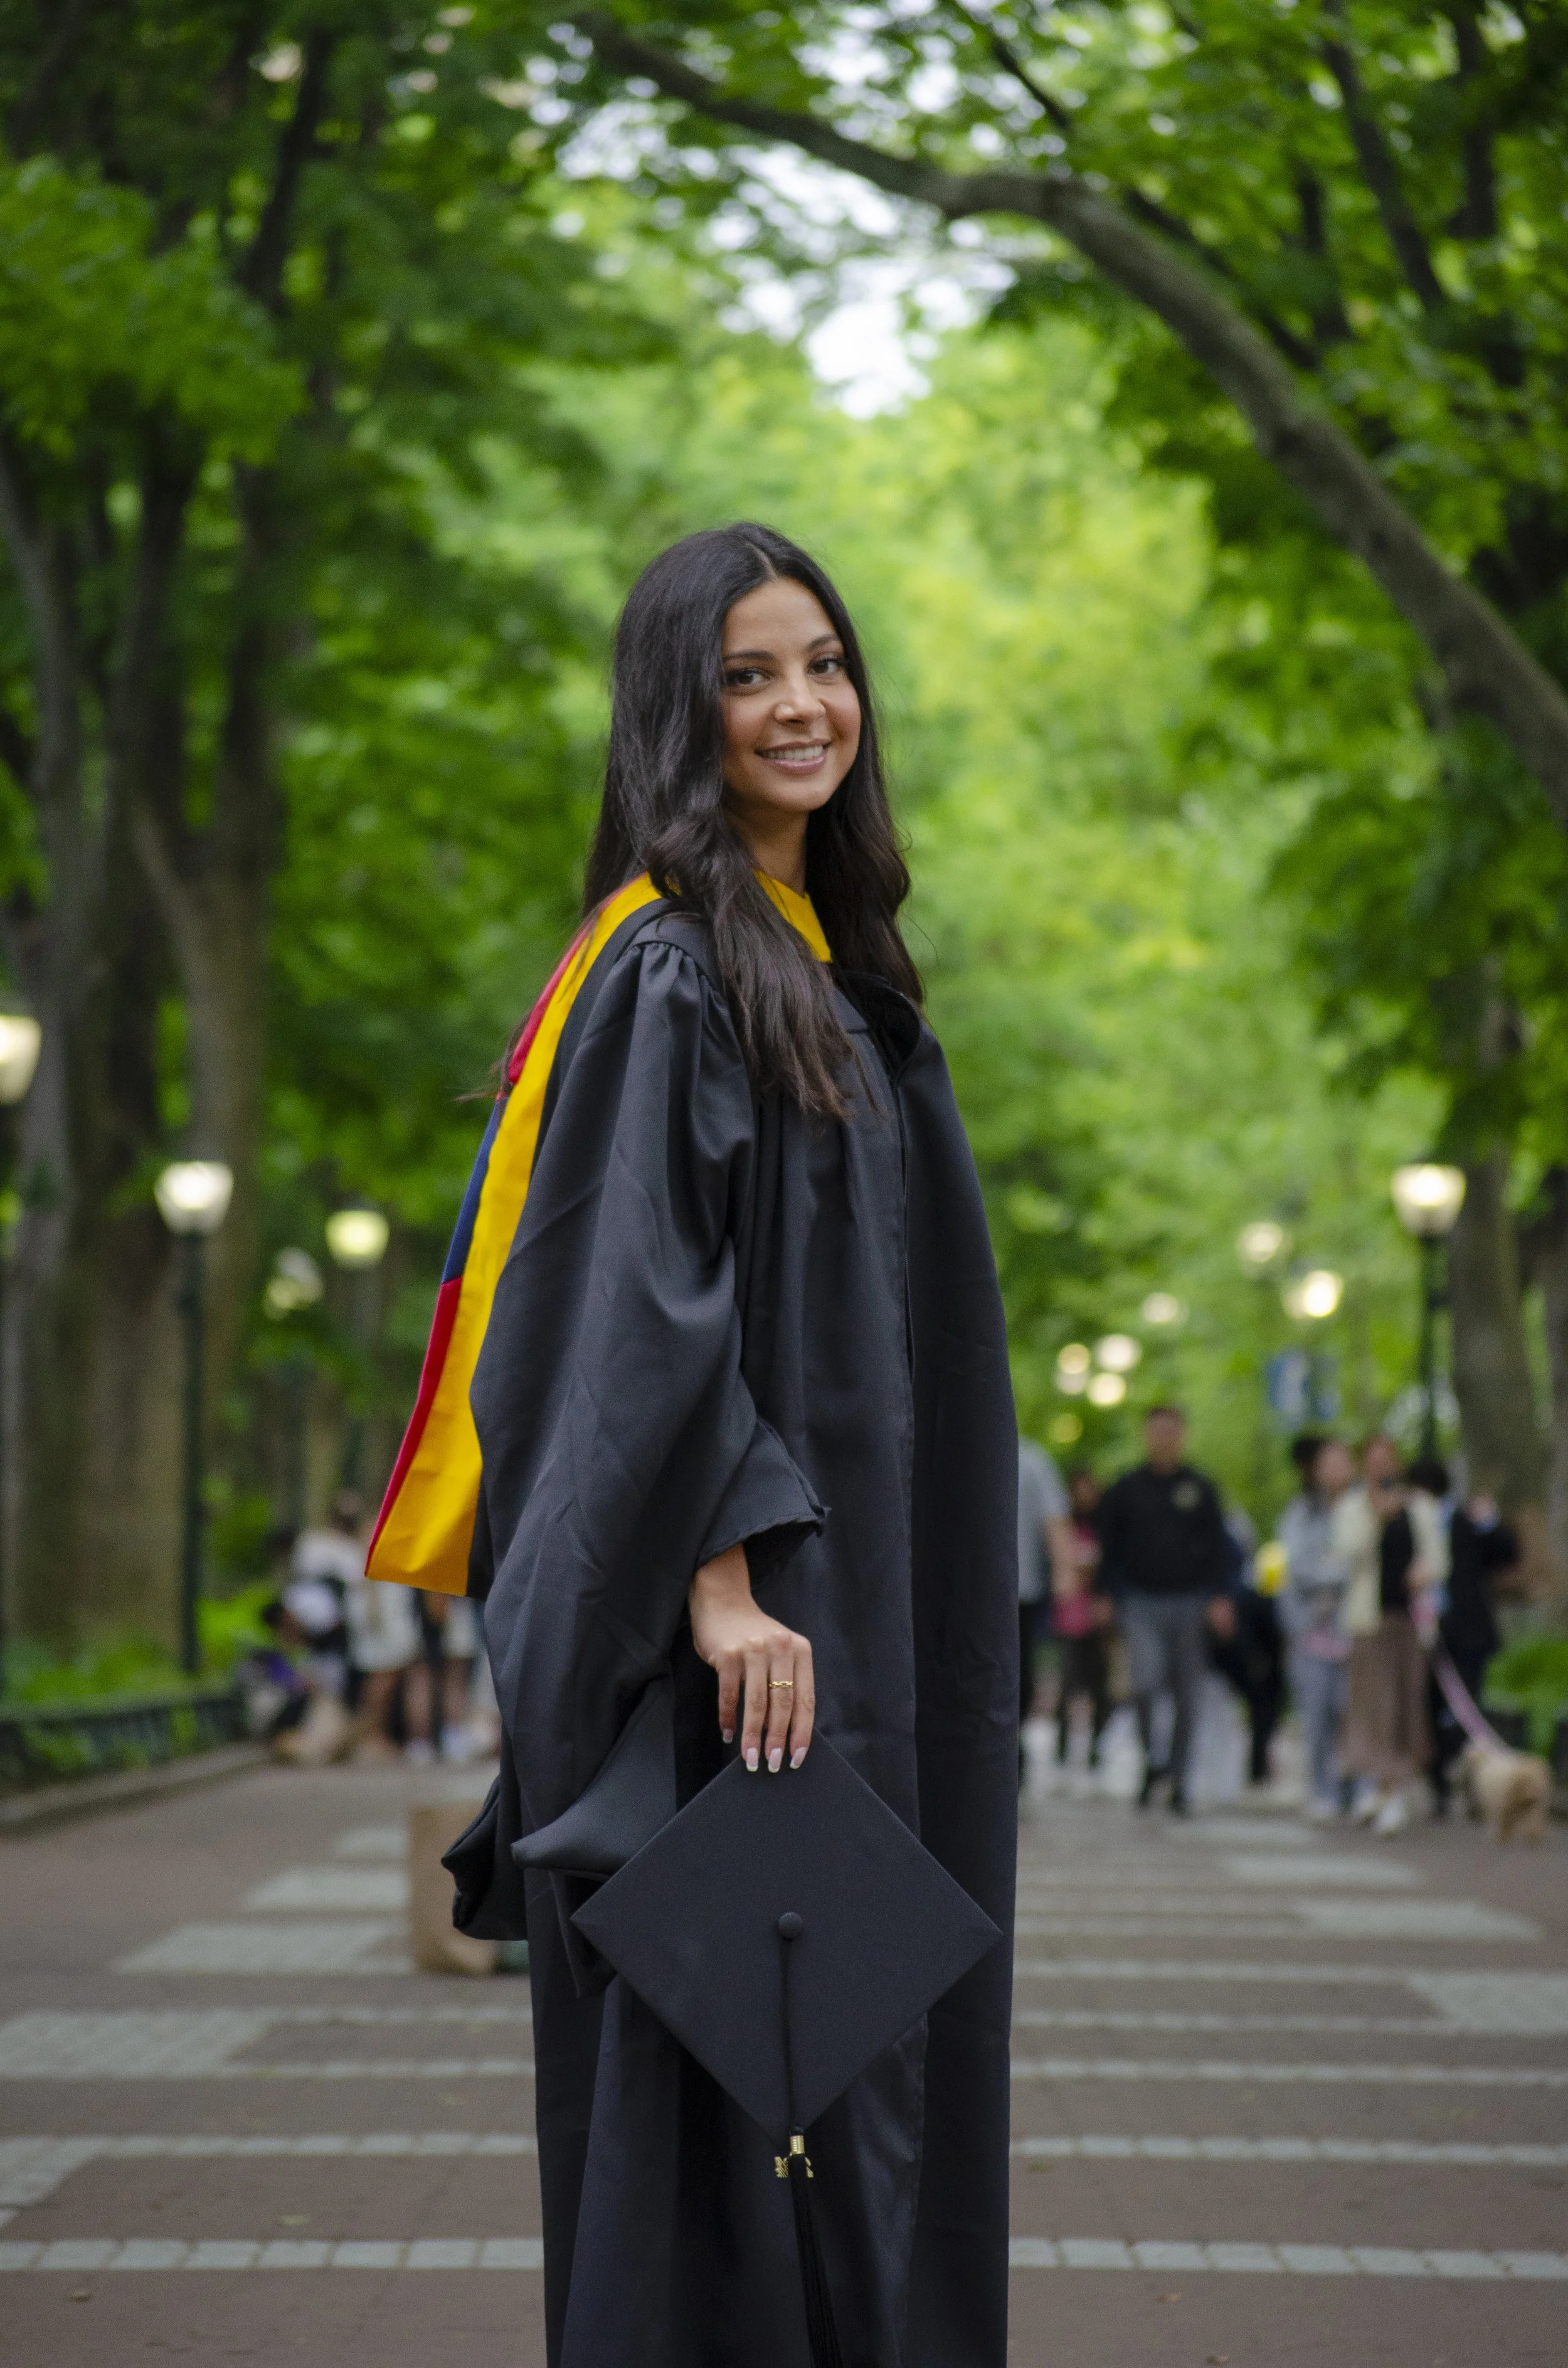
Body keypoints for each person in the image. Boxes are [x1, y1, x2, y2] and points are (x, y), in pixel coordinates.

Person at [369, 525, 1018, 2367]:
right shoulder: (665, 971)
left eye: (821, 661)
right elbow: (628, 1308)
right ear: (680, 709)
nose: (800, 703)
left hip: (868, 1616)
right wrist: (719, 1586)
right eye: (746, 675)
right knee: (736, 2081)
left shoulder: (842, 971)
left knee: (858, 2045)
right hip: (744, 1643)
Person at [1097, 1405, 1233, 1813]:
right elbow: (1110, 1546)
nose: (1164, 1438)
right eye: (1156, 1430)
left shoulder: (1201, 1487)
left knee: (1187, 1694)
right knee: (1142, 1682)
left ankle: (1178, 1776)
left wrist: (1220, 1597)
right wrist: (1106, 1594)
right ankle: (1150, 1761)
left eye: (1171, 1430)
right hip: (1140, 1602)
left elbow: (1218, 1548)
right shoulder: (1126, 1488)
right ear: (1146, 1434)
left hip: (1190, 1601)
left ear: (1182, 1434)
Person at [1334, 1434, 1448, 1834]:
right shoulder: (1353, 1507)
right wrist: (1375, 1518)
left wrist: (1424, 1573)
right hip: (1370, 1622)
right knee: (1375, 1705)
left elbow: (1437, 1559)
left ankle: (1392, 1788)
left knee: (1407, 1705)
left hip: (1411, 1622)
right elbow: (1346, 1554)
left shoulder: (1420, 1507)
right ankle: (1384, 1786)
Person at [1406, 1457, 1520, 1815]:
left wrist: (1491, 1521)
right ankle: (1439, 1786)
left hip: (1467, 1633)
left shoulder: (1465, 1522)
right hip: (1423, 1631)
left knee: (1467, 1709)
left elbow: (1507, 1555)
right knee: (1429, 1707)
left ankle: (1474, 1788)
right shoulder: (1406, 1525)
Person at [1275, 1435, 1355, 1822]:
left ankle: (1355, 1788)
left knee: (1350, 1710)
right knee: (1317, 1713)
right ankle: (1321, 1788)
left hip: (1354, 1629)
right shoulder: (1300, 1512)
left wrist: (1331, 1572)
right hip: (1310, 1631)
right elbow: (1296, 1566)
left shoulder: (1364, 1509)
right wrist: (1339, 1574)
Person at [1017, 1432, 1073, 1776]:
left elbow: (1053, 1520)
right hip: (955, 1591)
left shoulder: (1032, 1460)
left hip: (1022, 1593)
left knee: (1019, 1675)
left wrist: (1064, 1572)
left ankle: (1014, 1745)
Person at [1053, 1467, 1111, 1770]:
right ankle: (1062, 1749)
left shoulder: (1105, 1526)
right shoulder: (1063, 1524)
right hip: (1069, 1616)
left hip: (1097, 1617)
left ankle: (1096, 1747)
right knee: (1068, 1684)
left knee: (1099, 1685)